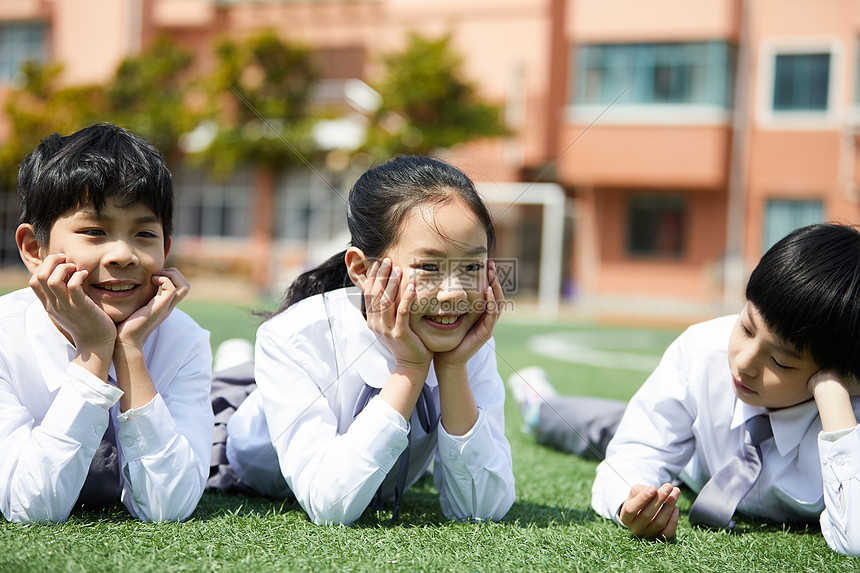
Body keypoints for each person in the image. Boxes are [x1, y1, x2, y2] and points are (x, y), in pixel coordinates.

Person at [508, 223, 860, 555]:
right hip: (687, 451)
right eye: (747, 328)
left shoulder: (847, 415)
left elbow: (855, 539)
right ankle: (539, 403)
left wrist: (833, 399)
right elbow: (636, 452)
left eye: (781, 362)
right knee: (599, 426)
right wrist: (630, 497)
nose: (743, 363)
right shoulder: (703, 351)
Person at [210, 155, 515, 525]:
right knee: (235, 387)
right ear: (361, 269)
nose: (453, 294)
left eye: (471, 267)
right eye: (429, 267)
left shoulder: (466, 339)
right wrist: (410, 367)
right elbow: (331, 505)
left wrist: (452, 368)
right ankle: (234, 365)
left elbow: (481, 510)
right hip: (236, 436)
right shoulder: (291, 337)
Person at [0, 123, 213, 524]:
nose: (123, 255)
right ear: (33, 248)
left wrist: (129, 351)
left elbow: (170, 508)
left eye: (144, 233)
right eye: (94, 232)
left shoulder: (184, 339)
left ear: (165, 248)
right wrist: (94, 350)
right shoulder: (4, 339)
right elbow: (31, 508)